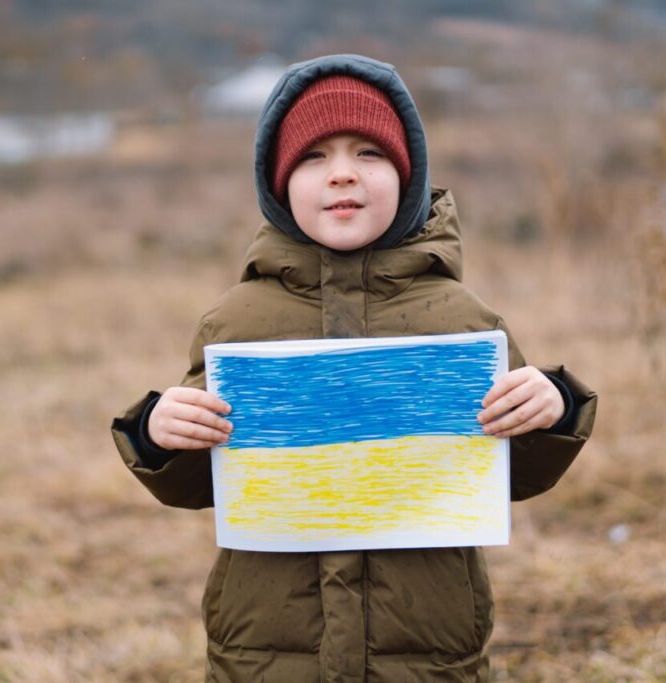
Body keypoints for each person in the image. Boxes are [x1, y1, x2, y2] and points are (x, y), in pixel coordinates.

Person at [111, 54, 597, 682]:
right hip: (268, 651)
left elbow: (513, 473)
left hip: (428, 650)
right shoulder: (235, 323)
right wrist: (158, 433)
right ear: (278, 185)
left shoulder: (464, 321)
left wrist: (552, 408)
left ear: (408, 176)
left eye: (369, 153)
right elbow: (202, 482)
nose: (342, 173)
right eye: (313, 157)